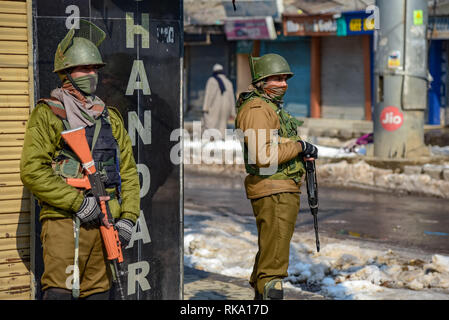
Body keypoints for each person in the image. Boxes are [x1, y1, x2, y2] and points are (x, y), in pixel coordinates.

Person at [20, 20, 140, 300]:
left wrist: (128, 218)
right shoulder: (49, 115)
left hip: (105, 222)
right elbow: (32, 171)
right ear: (66, 73)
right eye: (84, 69)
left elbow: (129, 174)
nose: (91, 75)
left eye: (95, 69)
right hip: (63, 221)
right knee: (61, 293)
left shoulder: (109, 117)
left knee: (98, 294)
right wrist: (77, 202)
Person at [235, 53, 318, 300]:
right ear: (261, 81)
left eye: (285, 79)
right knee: (273, 270)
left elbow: (274, 144)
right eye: (276, 79)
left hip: (280, 189)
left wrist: (299, 149)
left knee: (270, 255)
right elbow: (263, 155)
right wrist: (300, 147)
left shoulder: (268, 107)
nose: (283, 84)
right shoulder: (258, 109)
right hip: (274, 191)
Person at [202, 63, 236, 138]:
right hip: (226, 107)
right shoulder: (228, 82)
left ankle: (211, 142)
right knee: (222, 125)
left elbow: (209, 95)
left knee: (211, 125)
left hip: (215, 106)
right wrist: (233, 112)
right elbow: (232, 98)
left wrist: (205, 108)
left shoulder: (211, 80)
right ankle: (221, 141)